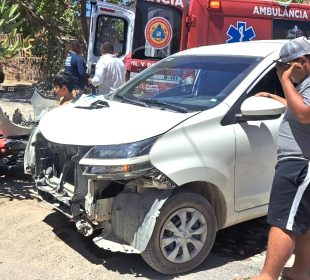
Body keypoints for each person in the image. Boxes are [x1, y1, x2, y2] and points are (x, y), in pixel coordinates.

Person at [244, 36, 310, 280]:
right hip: (300, 163)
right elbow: (299, 106)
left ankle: (267, 276)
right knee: (301, 222)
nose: (282, 71)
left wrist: (283, 81)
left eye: (284, 66)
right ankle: (302, 271)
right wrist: (276, 98)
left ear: (301, 62)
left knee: (283, 221)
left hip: (300, 164)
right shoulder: (305, 85)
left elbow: (304, 114)